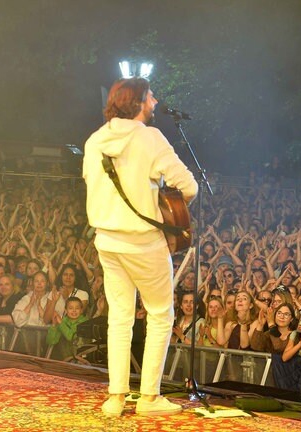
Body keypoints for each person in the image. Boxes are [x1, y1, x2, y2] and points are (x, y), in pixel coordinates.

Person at [83, 77, 198, 417]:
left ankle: (116, 398)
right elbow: (188, 186)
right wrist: (157, 198)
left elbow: (92, 184)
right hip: (144, 241)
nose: (155, 101)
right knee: (161, 313)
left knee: (119, 316)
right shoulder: (149, 138)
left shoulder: (96, 139)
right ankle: (149, 398)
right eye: (149, 96)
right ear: (137, 102)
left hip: (107, 240)